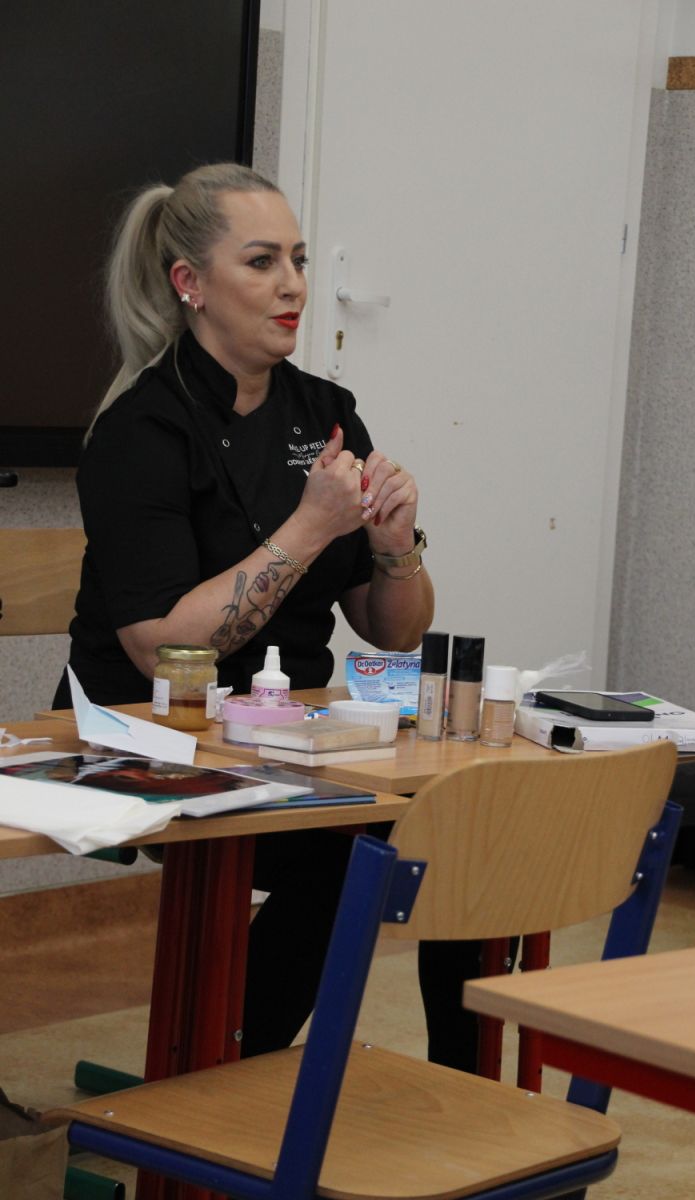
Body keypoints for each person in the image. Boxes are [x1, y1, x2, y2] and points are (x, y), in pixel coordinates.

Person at [53, 162, 434, 1058]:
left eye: (298, 258)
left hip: (286, 738)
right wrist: (311, 525)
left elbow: (394, 630)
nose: (293, 284)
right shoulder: (141, 430)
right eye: (262, 262)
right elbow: (161, 652)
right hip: (145, 737)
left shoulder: (325, 411)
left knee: (455, 830)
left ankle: (481, 1104)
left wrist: (394, 545)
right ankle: (220, 1077)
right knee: (348, 852)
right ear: (190, 283)